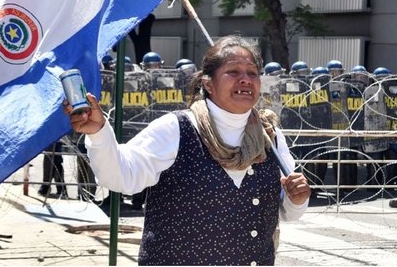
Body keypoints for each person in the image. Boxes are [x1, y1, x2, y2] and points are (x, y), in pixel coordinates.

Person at [64, 35, 310, 265]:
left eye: (252, 73)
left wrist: (297, 199)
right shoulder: (177, 129)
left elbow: (287, 211)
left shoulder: (269, 136)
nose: (245, 79)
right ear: (208, 84)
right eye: (233, 72)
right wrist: (98, 133)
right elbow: (120, 176)